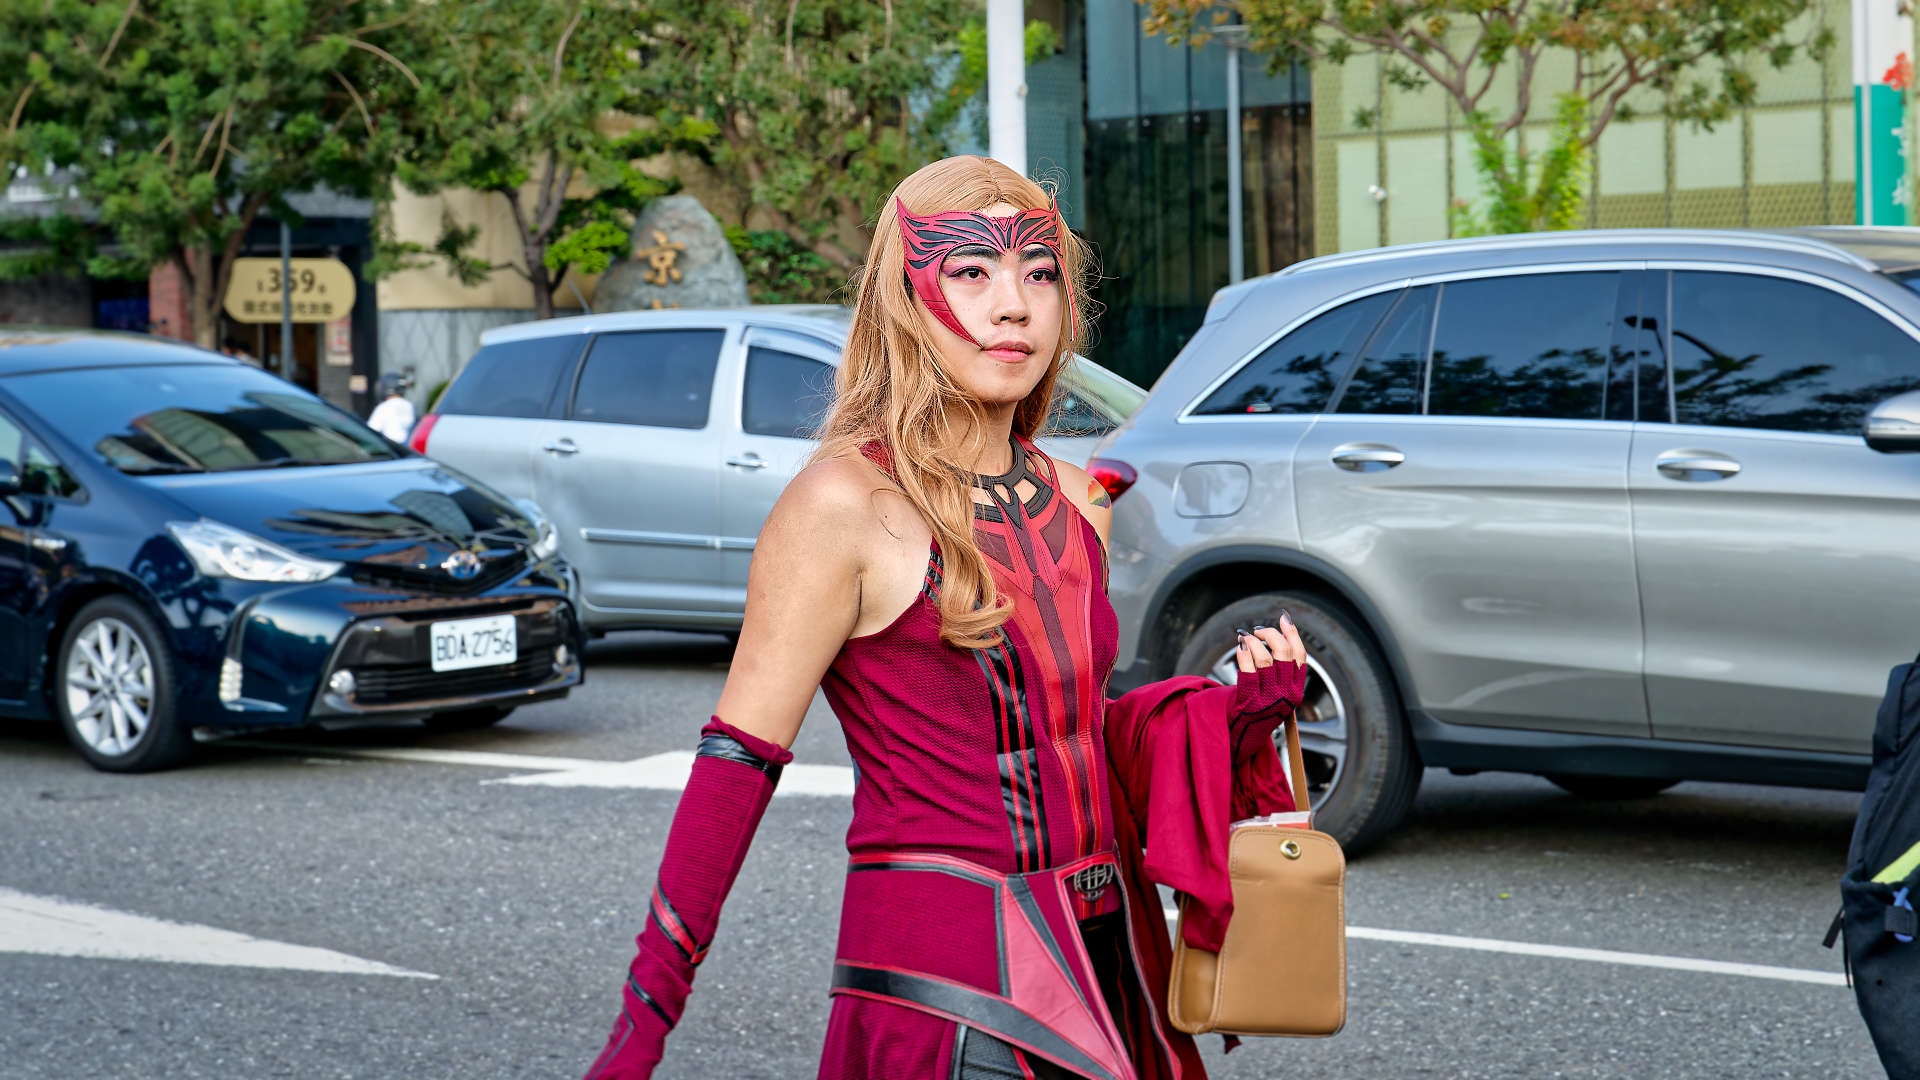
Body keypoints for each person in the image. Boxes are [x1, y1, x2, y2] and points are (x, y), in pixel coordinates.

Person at [581, 155, 1311, 1080]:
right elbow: (738, 766)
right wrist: (641, 1027)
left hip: (1115, 956)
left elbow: (1071, 738)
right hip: (950, 990)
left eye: (1039, 273)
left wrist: (1222, 716)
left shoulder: (1077, 497)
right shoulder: (842, 507)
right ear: (907, 300)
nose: (1014, 306)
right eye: (971, 272)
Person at [366, 372, 416, 444]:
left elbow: (371, 432)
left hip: (391, 449)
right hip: (408, 450)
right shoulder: (410, 406)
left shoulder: (383, 408)